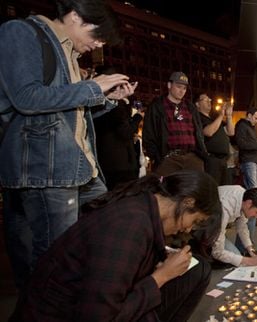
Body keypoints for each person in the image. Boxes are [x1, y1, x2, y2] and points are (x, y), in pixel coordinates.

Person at [0, 0, 137, 289]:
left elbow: (71, 113)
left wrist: (108, 97)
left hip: (80, 169)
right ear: (75, 16)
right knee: (55, 259)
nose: (98, 44)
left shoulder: (69, 55)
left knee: (105, 231)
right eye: (97, 35)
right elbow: (26, 97)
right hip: (47, 170)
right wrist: (92, 86)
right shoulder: (21, 32)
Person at [10, 171, 222, 321]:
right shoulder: (130, 226)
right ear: (188, 202)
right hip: (59, 314)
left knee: (198, 269)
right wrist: (161, 277)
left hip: (84, 305)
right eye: (194, 221)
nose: (187, 230)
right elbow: (98, 316)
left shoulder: (142, 207)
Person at [142, 72, 208, 176]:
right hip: (168, 158)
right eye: (178, 87)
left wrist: (200, 154)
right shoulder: (157, 106)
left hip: (192, 157)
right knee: (166, 190)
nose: (182, 91)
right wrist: (157, 157)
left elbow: (198, 132)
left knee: (196, 189)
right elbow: (148, 134)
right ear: (169, 85)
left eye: (184, 88)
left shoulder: (190, 107)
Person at [93, 66, 143, 190]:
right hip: (119, 165)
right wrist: (137, 117)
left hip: (106, 162)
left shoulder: (95, 102)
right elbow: (125, 132)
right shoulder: (114, 104)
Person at [211, 185, 257, 267]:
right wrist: (251, 261)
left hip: (217, 227)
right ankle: (202, 248)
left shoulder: (244, 197)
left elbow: (242, 227)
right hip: (205, 229)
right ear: (249, 203)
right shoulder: (224, 208)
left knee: (237, 257)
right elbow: (217, 252)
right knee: (232, 259)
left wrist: (251, 250)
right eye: (256, 212)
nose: (256, 217)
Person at [234, 107, 257, 230]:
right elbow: (241, 143)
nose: (256, 121)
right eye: (255, 118)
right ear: (248, 115)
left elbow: (250, 144)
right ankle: (252, 218)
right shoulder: (242, 125)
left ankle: (252, 219)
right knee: (252, 192)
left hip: (252, 161)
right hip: (248, 162)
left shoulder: (249, 127)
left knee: (252, 190)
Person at [195, 92, 234, 185]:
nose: (209, 102)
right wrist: (221, 115)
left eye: (210, 100)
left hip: (223, 160)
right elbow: (208, 132)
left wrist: (228, 116)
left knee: (225, 189)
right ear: (197, 104)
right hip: (211, 160)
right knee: (213, 188)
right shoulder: (198, 118)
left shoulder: (213, 119)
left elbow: (231, 132)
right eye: (206, 100)